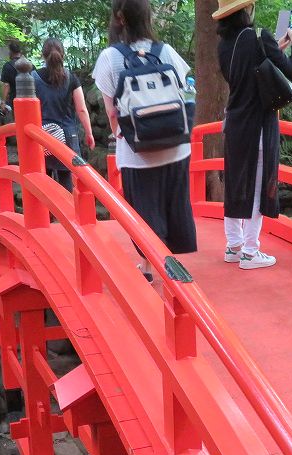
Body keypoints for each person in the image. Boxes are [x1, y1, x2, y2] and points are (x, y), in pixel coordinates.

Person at [93, 0, 198, 268]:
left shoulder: (110, 57)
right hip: (176, 146)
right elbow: (187, 93)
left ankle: (150, 266)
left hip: (137, 152)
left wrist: (121, 135)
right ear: (148, 17)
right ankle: (173, 267)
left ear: (119, 18)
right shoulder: (166, 52)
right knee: (173, 206)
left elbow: (112, 113)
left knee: (144, 215)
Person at [214, 0, 292, 269]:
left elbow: (250, 69)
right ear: (247, 10)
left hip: (235, 123)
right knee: (257, 187)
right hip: (259, 126)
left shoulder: (223, 46)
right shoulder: (258, 38)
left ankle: (234, 246)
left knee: (235, 182)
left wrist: (277, 46)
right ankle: (251, 253)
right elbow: (291, 71)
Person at [33, 38, 96, 191]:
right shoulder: (72, 78)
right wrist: (89, 133)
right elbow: (81, 109)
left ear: (43, 55)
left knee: (43, 176)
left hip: (42, 134)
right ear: (63, 55)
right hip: (67, 135)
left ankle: (46, 214)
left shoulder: (33, 78)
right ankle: (65, 213)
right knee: (65, 176)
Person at [0, 39, 24, 121]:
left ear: (11, 52)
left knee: (17, 123)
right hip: (29, 100)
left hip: (15, 101)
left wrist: (3, 102)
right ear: (20, 52)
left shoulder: (8, 66)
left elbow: (6, 85)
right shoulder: (30, 64)